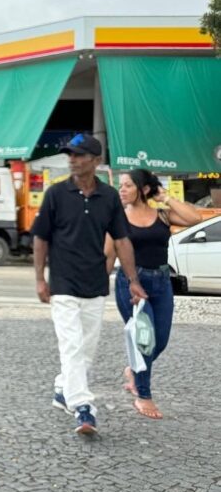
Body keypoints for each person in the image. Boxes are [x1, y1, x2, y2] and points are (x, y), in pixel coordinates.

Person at [31, 133, 146, 436]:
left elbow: (121, 240)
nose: (72, 159)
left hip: (95, 283)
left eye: (79, 155)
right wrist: (40, 279)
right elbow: (41, 238)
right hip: (63, 284)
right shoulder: (56, 194)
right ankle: (84, 407)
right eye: (69, 154)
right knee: (71, 345)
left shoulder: (108, 197)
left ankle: (61, 389)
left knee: (86, 350)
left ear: (95, 161)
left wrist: (133, 280)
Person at [104, 169, 200, 419]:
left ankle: (134, 369)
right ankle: (143, 395)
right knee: (144, 340)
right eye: (120, 186)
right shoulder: (117, 219)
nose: (122, 190)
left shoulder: (162, 215)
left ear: (144, 189)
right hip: (131, 283)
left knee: (161, 340)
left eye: (127, 185)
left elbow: (195, 217)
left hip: (162, 282)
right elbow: (109, 253)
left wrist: (164, 197)